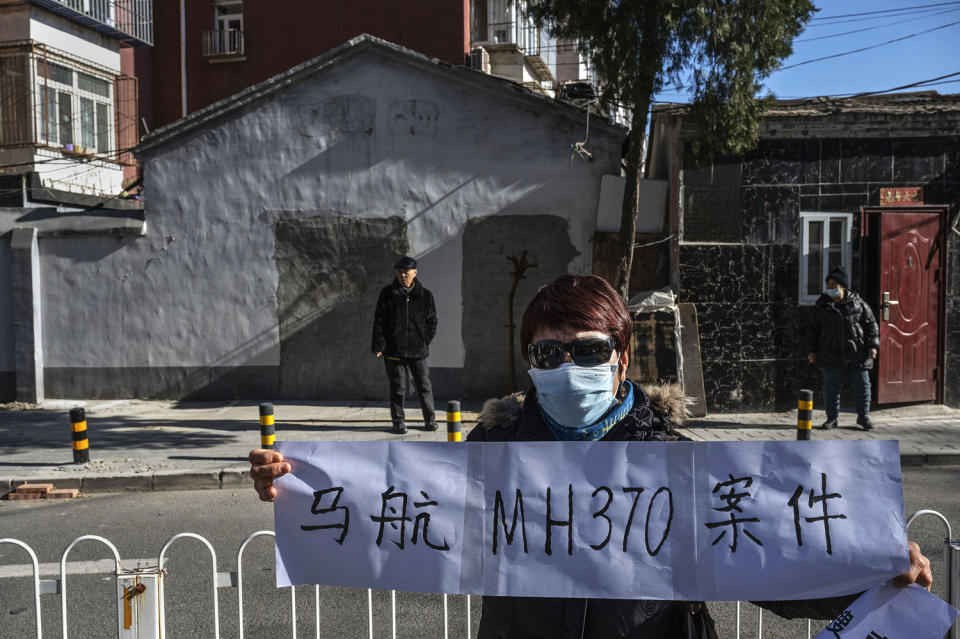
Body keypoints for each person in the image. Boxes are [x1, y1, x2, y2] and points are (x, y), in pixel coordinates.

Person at [252, 274, 931, 638]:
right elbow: (393, 509)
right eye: (550, 352)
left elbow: (770, 557)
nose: (567, 364)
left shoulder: (673, 459)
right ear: (530, 361)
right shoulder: (493, 450)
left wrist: (874, 564)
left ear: (623, 357)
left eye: (588, 349)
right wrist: (298, 485)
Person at [803, 265, 880, 431]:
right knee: (831, 388)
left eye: (833, 284)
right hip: (831, 353)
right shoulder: (822, 306)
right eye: (828, 284)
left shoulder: (857, 303)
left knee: (862, 387)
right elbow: (812, 330)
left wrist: (872, 345)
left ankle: (863, 417)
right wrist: (812, 350)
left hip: (857, 353)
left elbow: (871, 325)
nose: (830, 288)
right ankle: (832, 418)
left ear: (843, 286)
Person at [372, 256, 438, 434]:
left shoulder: (426, 295)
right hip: (394, 350)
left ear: (414, 273)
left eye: (406, 272)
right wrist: (379, 345)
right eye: (400, 272)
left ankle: (430, 420)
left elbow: (432, 321)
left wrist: (424, 340)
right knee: (398, 388)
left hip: (418, 351)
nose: (403, 276)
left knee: (424, 387)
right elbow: (379, 321)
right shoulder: (387, 294)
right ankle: (398, 422)